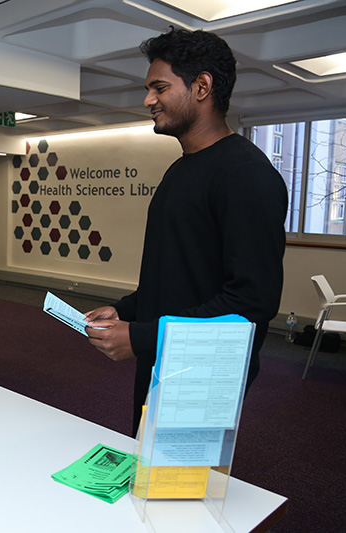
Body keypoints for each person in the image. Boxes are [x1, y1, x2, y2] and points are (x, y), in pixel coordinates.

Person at [84, 27, 287, 437]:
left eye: (159, 87)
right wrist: (129, 310)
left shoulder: (246, 175)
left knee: (177, 488)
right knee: (149, 465)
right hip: (165, 350)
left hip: (206, 367)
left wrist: (142, 336)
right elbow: (176, 273)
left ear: (202, 86)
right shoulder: (181, 169)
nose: (148, 100)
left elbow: (251, 302)